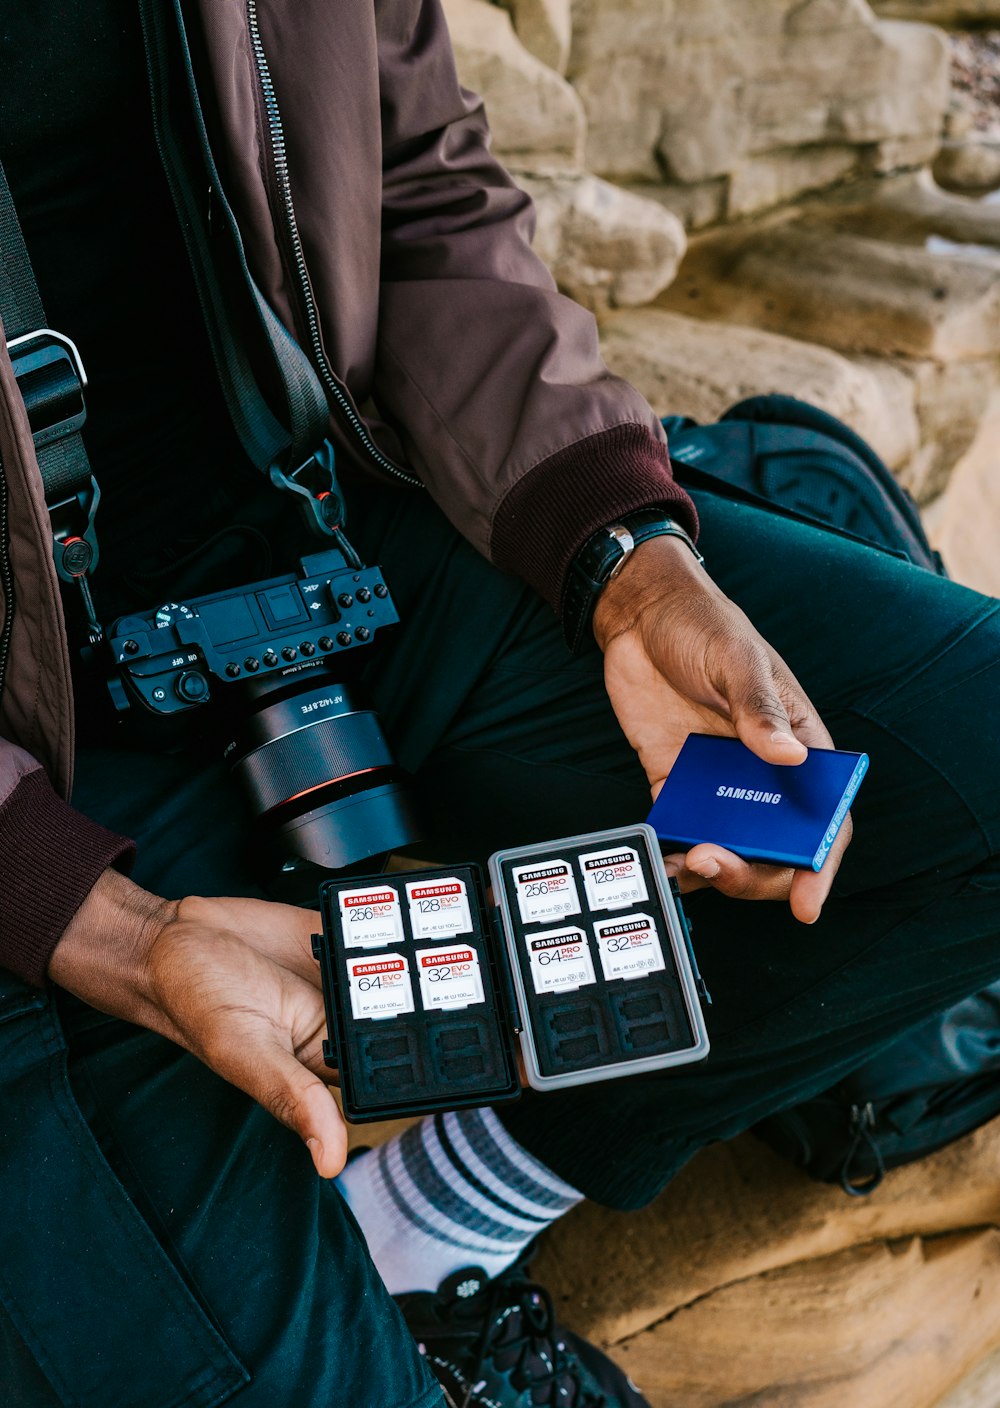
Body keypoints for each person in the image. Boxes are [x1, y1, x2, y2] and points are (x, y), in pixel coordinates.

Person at [1, 2, 998, 1406]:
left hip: (354, 544)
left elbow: (421, 181)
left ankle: (434, 1231)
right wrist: (89, 918)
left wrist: (626, 562)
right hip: (37, 777)